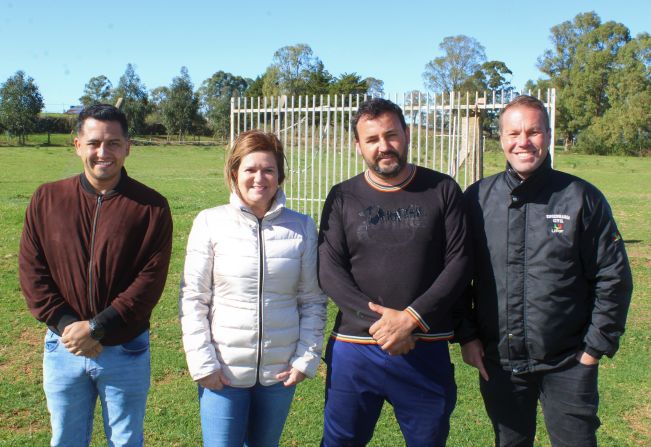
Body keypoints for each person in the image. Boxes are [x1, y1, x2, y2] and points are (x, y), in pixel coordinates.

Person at [459, 95, 633, 447]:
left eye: (534, 131)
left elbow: (613, 278)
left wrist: (593, 350)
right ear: (501, 138)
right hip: (500, 362)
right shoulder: (477, 198)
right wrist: (468, 335)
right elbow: (458, 275)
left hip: (569, 362)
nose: (523, 141)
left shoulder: (581, 197)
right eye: (514, 133)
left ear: (549, 136)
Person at [318, 98, 471, 446]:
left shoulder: (442, 189)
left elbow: (460, 262)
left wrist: (410, 319)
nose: (383, 147)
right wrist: (383, 324)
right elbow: (329, 269)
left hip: (423, 346)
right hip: (356, 348)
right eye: (372, 140)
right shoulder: (342, 196)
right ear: (358, 146)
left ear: (407, 134)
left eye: (391, 135)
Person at [19, 104, 173, 447]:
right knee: (66, 439)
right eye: (94, 143)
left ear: (128, 147)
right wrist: (67, 327)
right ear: (77, 145)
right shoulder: (47, 198)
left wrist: (97, 326)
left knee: (126, 439)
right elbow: (33, 272)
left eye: (113, 143)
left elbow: (149, 282)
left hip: (125, 348)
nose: (103, 153)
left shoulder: (151, 207)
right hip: (63, 348)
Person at [179, 130, 327, 447]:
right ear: (235, 173)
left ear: (280, 175)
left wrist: (305, 359)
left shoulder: (301, 227)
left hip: (279, 372)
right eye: (250, 169)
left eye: (268, 169)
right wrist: (204, 364)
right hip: (223, 372)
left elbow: (312, 300)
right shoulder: (210, 222)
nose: (259, 178)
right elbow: (193, 300)